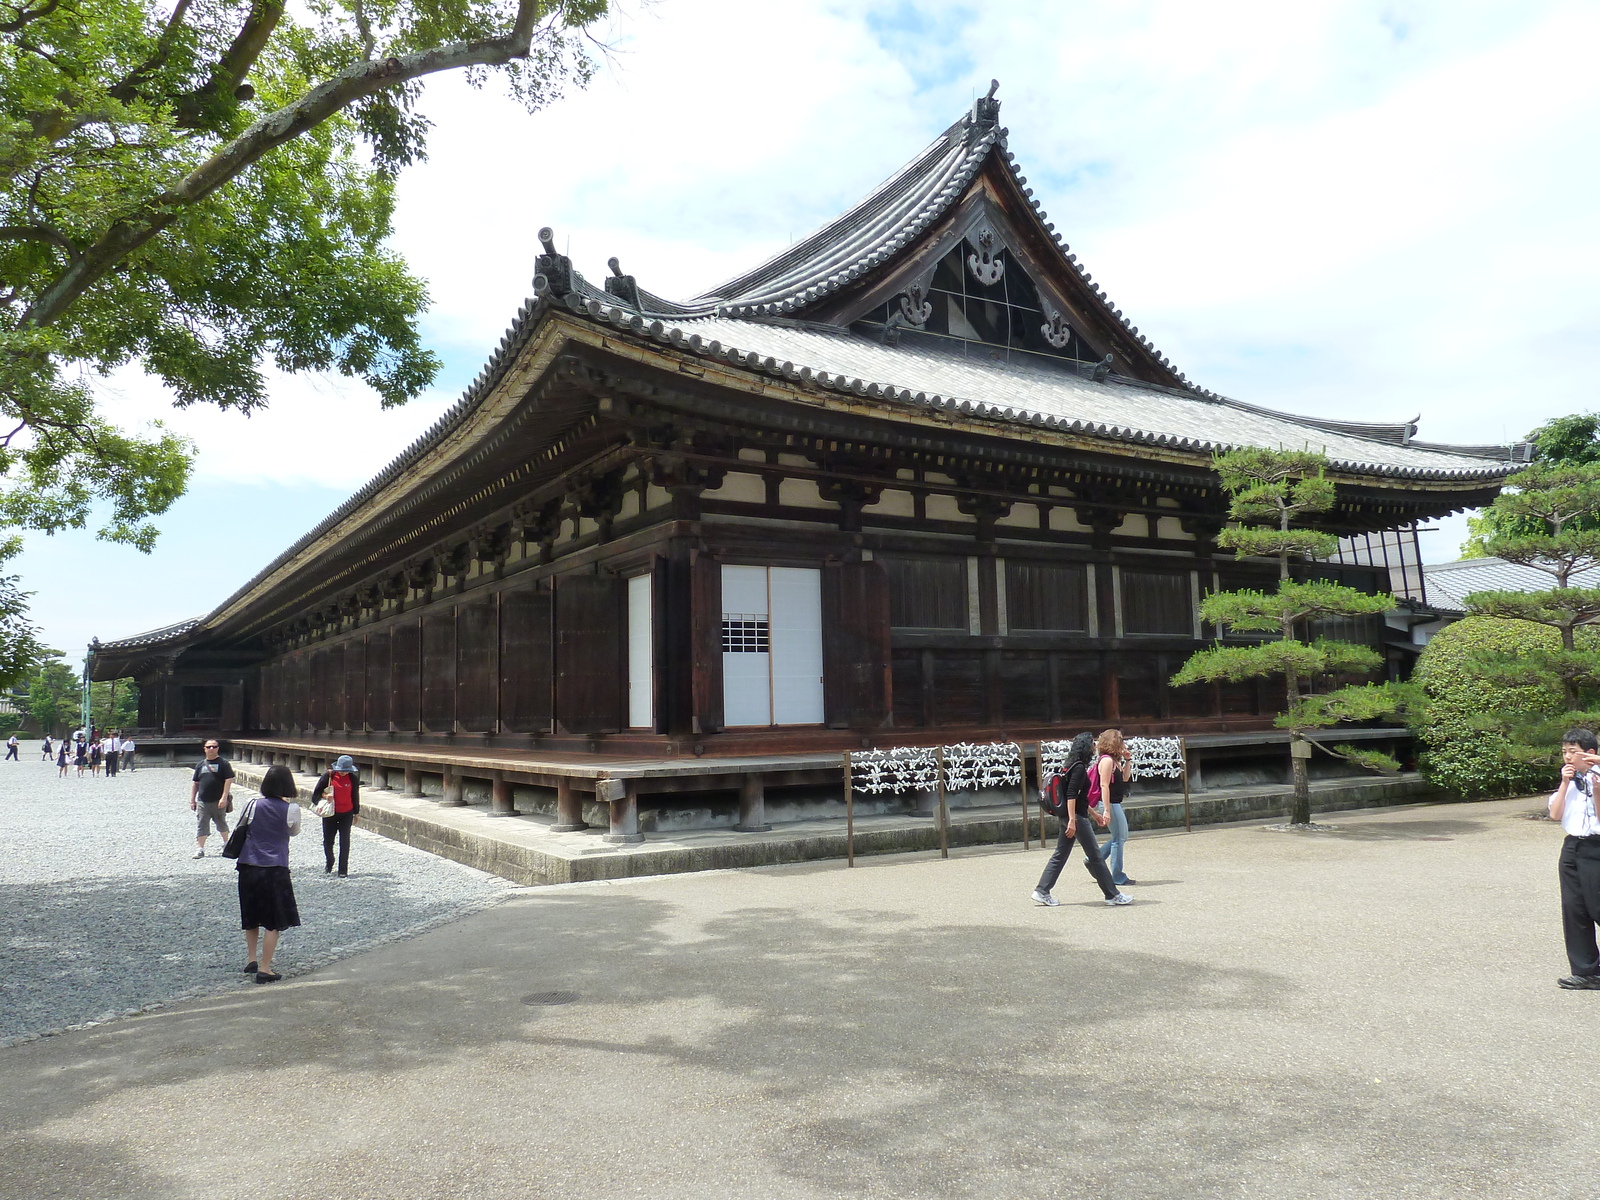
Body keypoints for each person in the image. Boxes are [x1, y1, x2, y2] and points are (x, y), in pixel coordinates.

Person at [1032, 731, 1129, 908]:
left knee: (1060, 854)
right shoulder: (1078, 768)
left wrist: (1094, 814)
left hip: (1071, 815)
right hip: (1076, 817)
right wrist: (1072, 820)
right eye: (1092, 743)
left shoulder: (1070, 765)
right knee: (1095, 856)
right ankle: (1112, 894)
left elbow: (1079, 797)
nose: (1095, 747)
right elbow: (1071, 795)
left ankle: (1042, 890)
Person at [236, 763, 303, 984]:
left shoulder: (252, 804)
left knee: (251, 915)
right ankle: (265, 968)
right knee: (273, 920)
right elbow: (293, 831)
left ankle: (251, 959)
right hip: (275, 867)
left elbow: (242, 827)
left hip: (248, 866)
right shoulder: (292, 809)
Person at [1550, 728, 1600, 990]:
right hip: (1572, 847)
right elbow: (1556, 815)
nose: (1567, 757)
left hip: (1598, 846)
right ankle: (1586, 971)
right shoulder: (1570, 781)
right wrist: (1565, 783)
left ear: (1590, 753)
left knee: (1597, 906)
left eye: (1573, 751)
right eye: (1564, 752)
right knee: (1575, 909)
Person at [1093, 729, 1137, 888]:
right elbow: (1104, 785)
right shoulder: (1106, 761)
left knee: (1120, 837)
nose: (1123, 744)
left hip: (1114, 802)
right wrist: (1106, 809)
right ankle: (1117, 875)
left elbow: (1125, 778)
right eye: (1120, 741)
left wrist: (1128, 760)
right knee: (1120, 838)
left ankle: (1093, 859)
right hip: (1110, 803)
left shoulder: (1114, 760)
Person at [310, 754, 361, 877]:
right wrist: (325, 796)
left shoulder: (353, 779)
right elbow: (315, 794)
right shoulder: (329, 776)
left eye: (346, 771)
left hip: (347, 813)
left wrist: (356, 812)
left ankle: (343, 870)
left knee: (345, 841)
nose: (343, 773)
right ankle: (329, 861)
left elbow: (355, 796)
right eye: (341, 771)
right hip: (330, 813)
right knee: (328, 841)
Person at [189, 738, 235, 858]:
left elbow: (228, 780)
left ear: (218, 748)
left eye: (214, 746)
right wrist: (192, 800)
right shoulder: (200, 765)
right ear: (204, 749)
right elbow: (195, 783)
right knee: (202, 823)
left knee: (221, 822)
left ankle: (226, 844)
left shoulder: (224, 763)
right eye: (208, 747)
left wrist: (224, 797)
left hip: (218, 799)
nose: (211, 749)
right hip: (203, 800)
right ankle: (200, 848)